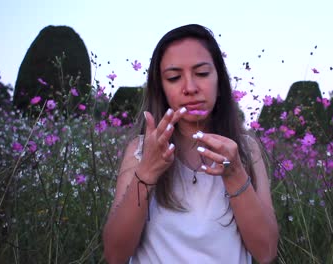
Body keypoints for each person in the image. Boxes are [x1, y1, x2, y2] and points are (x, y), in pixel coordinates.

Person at [103, 24, 278, 264]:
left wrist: (235, 174)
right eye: (174, 77)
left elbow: (266, 251)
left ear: (219, 80)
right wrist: (146, 172)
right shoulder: (140, 150)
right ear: (161, 88)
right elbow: (115, 254)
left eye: (203, 73)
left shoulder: (246, 149)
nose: (190, 88)